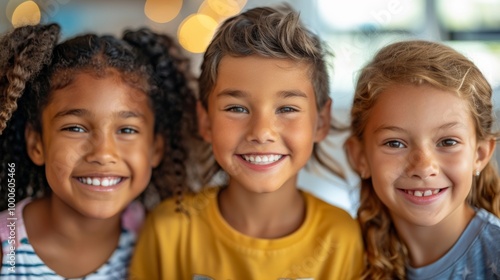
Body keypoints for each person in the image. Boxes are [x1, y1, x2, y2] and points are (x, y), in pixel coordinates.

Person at [130, 5, 364, 280]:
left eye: (287, 109)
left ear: (321, 122)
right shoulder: (168, 231)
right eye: (237, 109)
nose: (261, 132)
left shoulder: (342, 238)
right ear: (205, 121)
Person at [0, 23, 198, 279]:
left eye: (127, 130)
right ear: (37, 144)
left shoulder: (160, 239)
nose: (104, 153)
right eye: (75, 128)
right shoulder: (7, 253)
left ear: (155, 148)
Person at [345, 40, 500, 279]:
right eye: (395, 143)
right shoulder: (344, 254)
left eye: (447, 142)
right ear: (360, 157)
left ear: (479, 155)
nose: (423, 167)